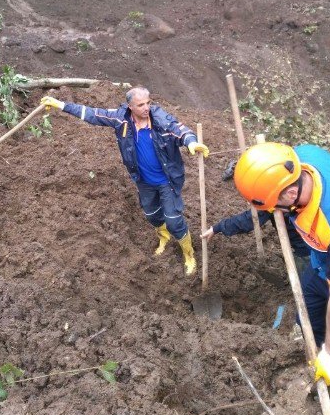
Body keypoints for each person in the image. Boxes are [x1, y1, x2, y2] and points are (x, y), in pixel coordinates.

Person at [229, 141, 330, 415]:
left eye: (275, 205)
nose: (274, 211)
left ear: (291, 193)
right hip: (322, 257)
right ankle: (309, 356)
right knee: (307, 310)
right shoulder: (301, 157)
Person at [41, 86, 209, 275]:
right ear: (130, 106)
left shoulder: (161, 121)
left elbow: (180, 130)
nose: (146, 108)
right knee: (152, 215)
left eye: (148, 103)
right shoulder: (122, 119)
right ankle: (164, 238)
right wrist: (60, 105)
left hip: (166, 181)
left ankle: (189, 254)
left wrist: (191, 142)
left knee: (173, 221)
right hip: (143, 180)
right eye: (140, 105)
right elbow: (93, 114)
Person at [202, 208, 311, 277]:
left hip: (309, 248)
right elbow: (251, 218)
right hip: (308, 244)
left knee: (309, 277)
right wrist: (218, 227)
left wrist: (219, 227)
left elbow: (249, 219)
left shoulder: (276, 199)